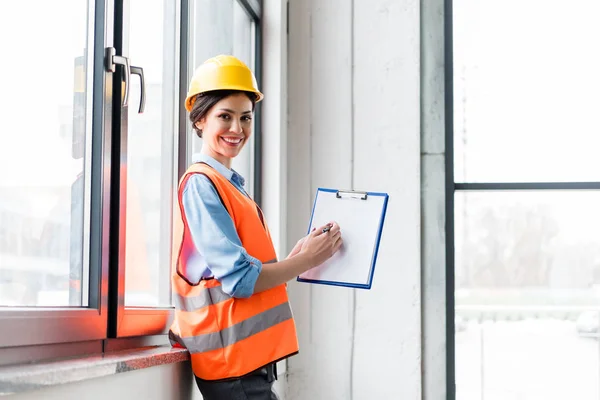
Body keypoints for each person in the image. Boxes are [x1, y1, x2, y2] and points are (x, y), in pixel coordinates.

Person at [168, 55, 343, 400]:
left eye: (245, 117)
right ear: (200, 119)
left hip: (245, 365)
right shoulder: (202, 184)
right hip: (233, 367)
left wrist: (298, 254)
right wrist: (305, 261)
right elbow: (239, 279)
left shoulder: (227, 184)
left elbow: (241, 270)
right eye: (225, 116)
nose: (237, 129)